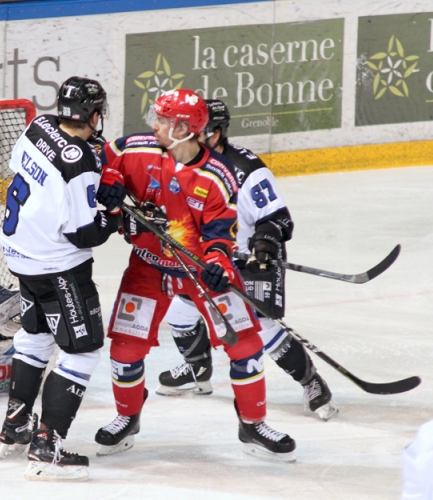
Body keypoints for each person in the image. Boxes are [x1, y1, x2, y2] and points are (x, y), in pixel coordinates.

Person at [94, 89, 296, 461]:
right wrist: (108, 179)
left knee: (247, 346)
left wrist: (218, 265)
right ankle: (128, 417)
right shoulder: (136, 149)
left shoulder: (217, 177)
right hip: (148, 265)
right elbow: (103, 155)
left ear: (185, 129)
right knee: (125, 349)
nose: (154, 125)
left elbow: (220, 235)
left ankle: (252, 424)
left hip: (199, 270)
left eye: (164, 121)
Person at [157, 99, 338, 421]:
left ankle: (310, 381)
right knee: (178, 314)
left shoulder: (247, 170)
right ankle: (198, 369)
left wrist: (265, 242)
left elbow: (279, 218)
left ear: (215, 133)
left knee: (261, 327)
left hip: (251, 258)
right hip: (206, 258)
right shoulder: (177, 160)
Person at [0, 76, 124, 481]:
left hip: (21, 255)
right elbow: (84, 232)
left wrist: (97, 183)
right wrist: (114, 215)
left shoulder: (38, 126)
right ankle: (46, 445)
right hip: (58, 267)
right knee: (82, 350)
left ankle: (16, 425)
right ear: (92, 113)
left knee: (35, 338)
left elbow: (66, 173)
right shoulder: (80, 164)